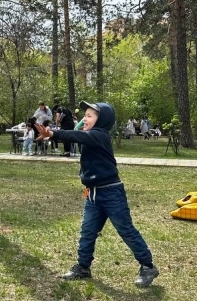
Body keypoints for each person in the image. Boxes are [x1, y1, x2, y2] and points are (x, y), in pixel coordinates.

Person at [36, 101, 160, 288]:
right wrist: (52, 135)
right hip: (93, 194)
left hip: (111, 193)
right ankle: (83, 267)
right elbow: (77, 135)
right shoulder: (89, 135)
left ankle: (147, 266)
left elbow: (76, 135)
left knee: (125, 230)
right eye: (84, 115)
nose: (85, 119)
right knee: (88, 230)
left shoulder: (99, 135)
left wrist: (53, 133)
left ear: (102, 120)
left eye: (90, 116)